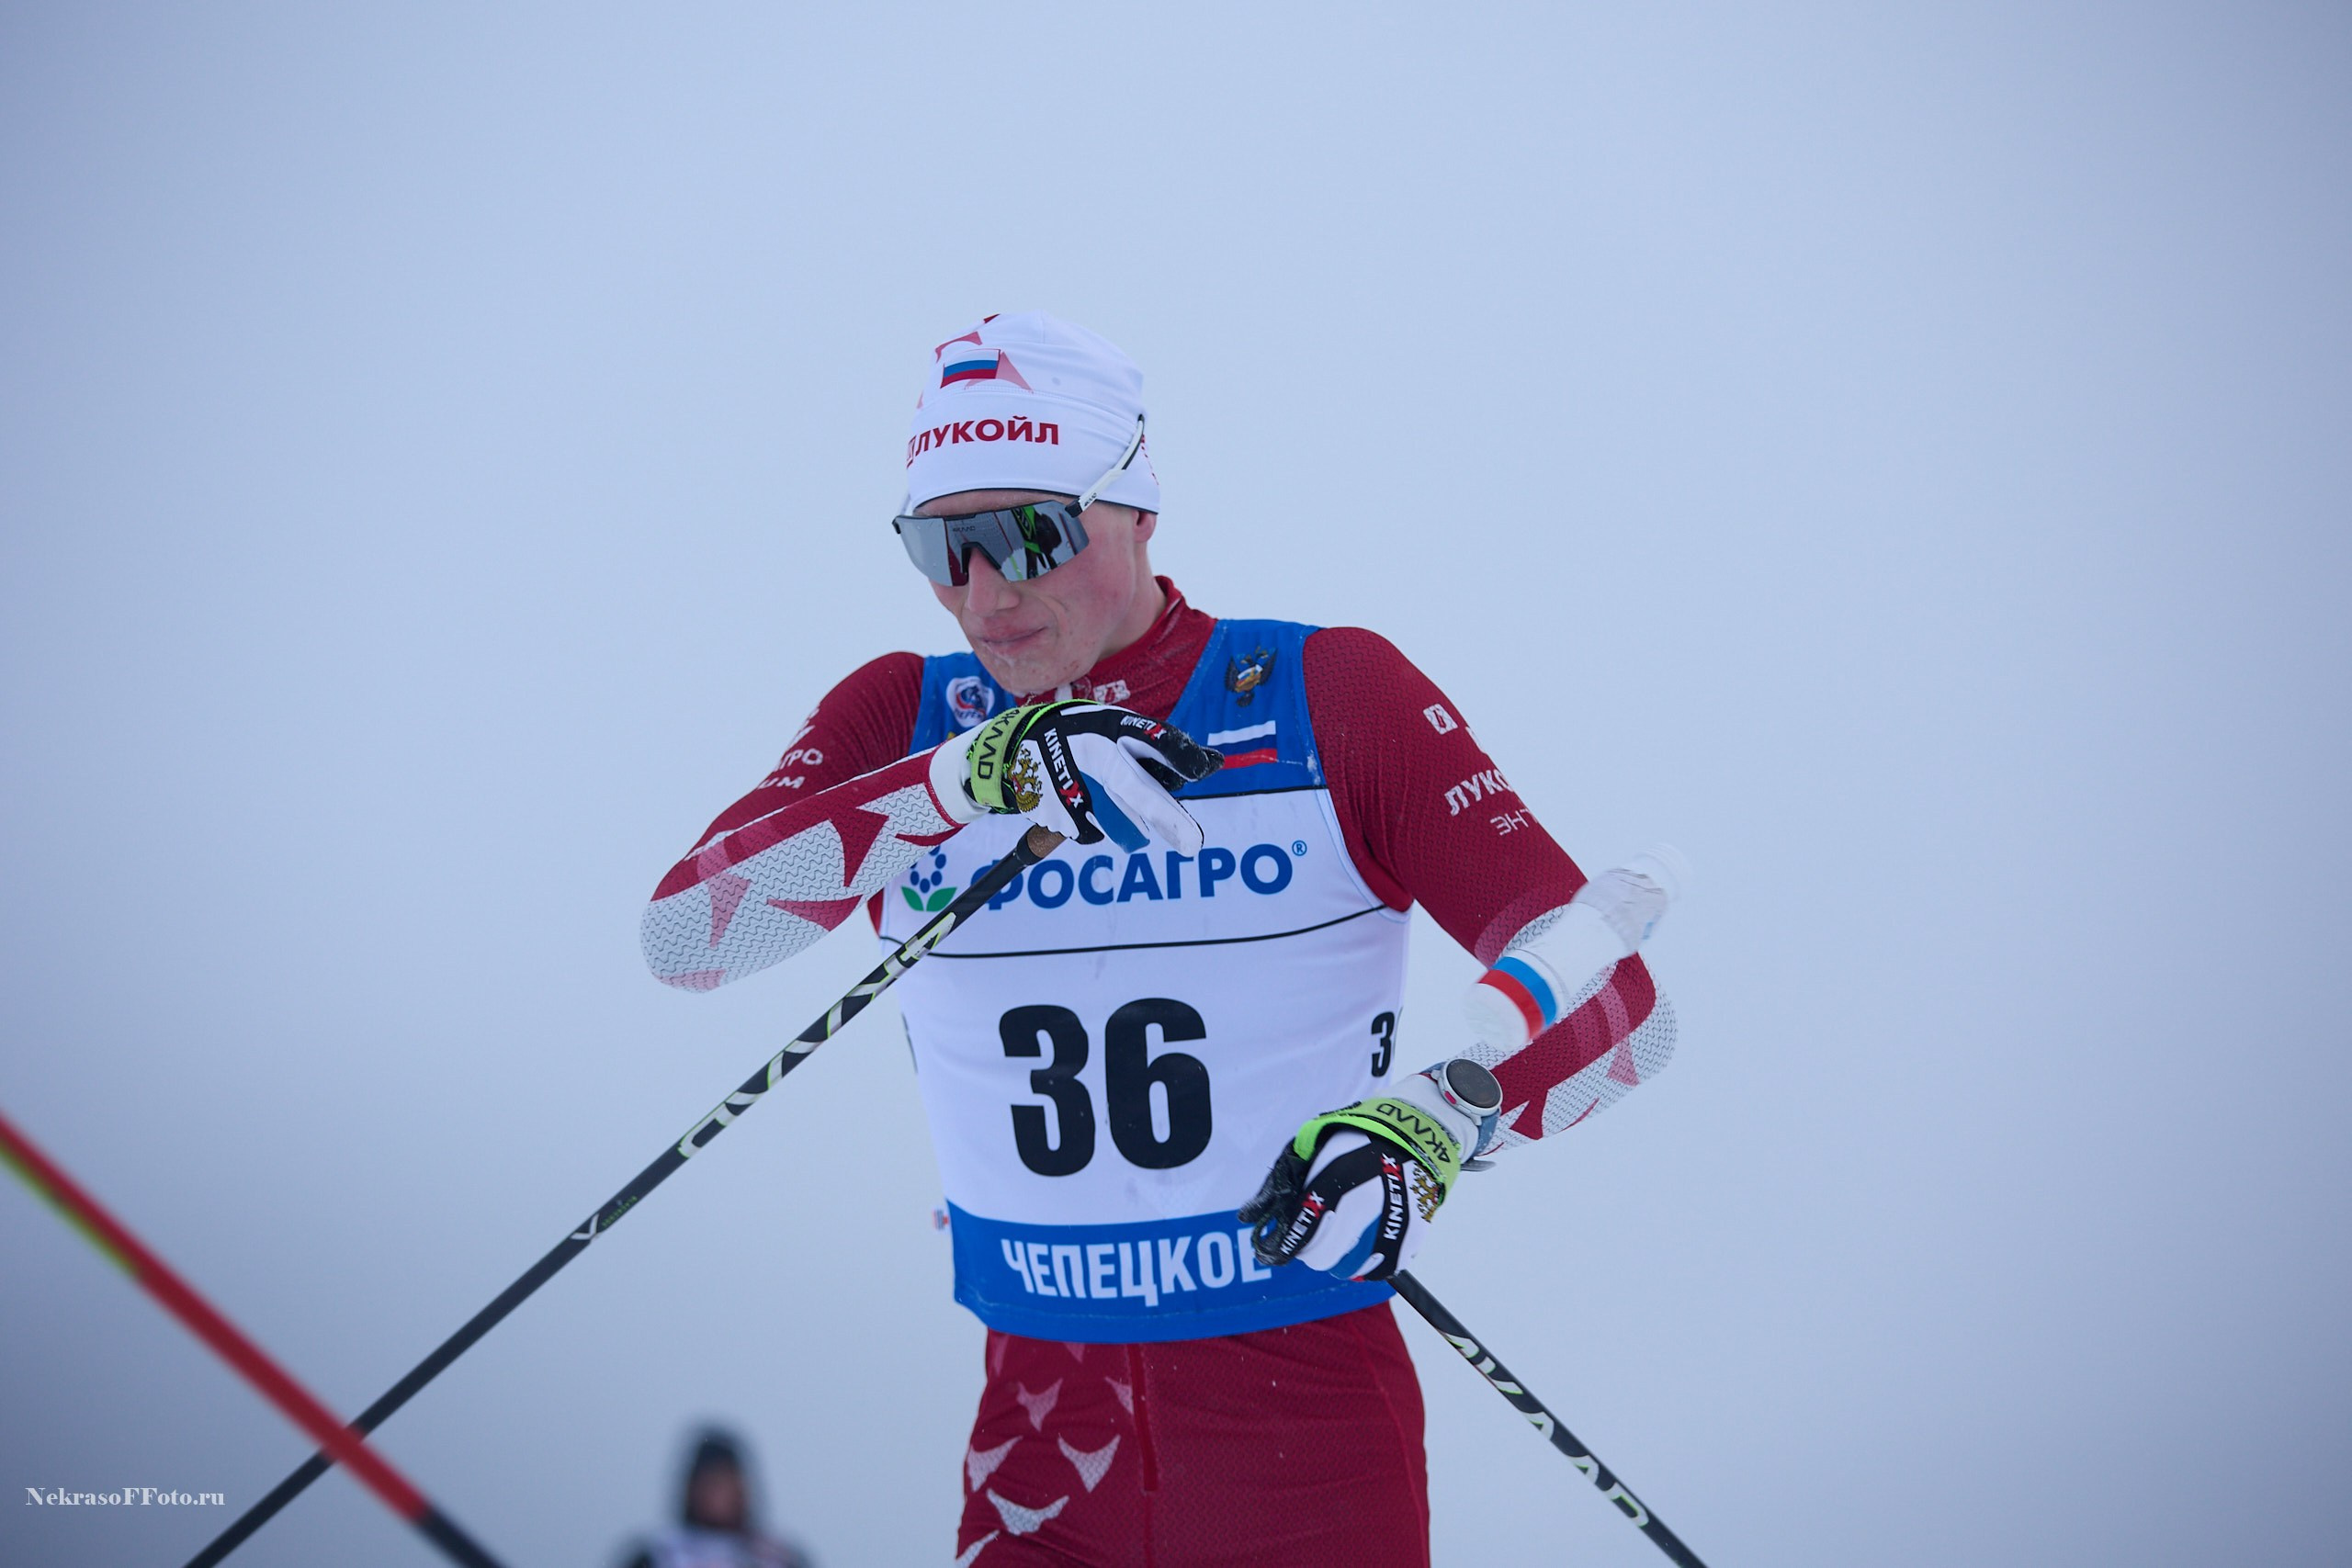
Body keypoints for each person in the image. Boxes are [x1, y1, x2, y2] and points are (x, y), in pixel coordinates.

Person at [640, 312, 1681, 1567]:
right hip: (1039, 1441)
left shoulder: (1331, 698)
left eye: (1030, 531)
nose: (985, 591)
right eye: (941, 545)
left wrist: (1445, 1114)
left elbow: (1623, 1011)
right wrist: (969, 776)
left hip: (1306, 1424)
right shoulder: (909, 721)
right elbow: (689, 936)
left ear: (1133, 505)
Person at [615, 1427, 815, 1568]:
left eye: (731, 1480)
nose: (724, 1493)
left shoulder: (781, 1558)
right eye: (714, 1481)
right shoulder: (655, 1555)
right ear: (692, 1488)